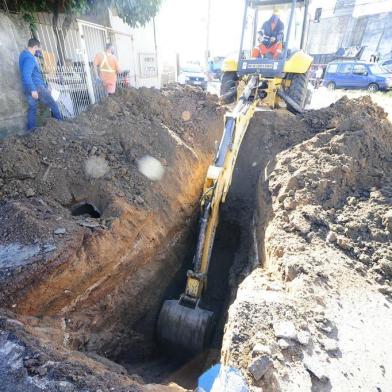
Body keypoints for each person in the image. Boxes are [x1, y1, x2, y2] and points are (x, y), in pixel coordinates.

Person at [19, 38, 62, 131]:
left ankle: (31, 131)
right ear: (34, 47)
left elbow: (28, 74)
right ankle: (61, 128)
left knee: (32, 110)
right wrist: (33, 89)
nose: (40, 52)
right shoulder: (30, 58)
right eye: (39, 49)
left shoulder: (23, 55)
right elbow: (26, 75)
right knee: (54, 105)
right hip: (37, 88)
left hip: (30, 87)